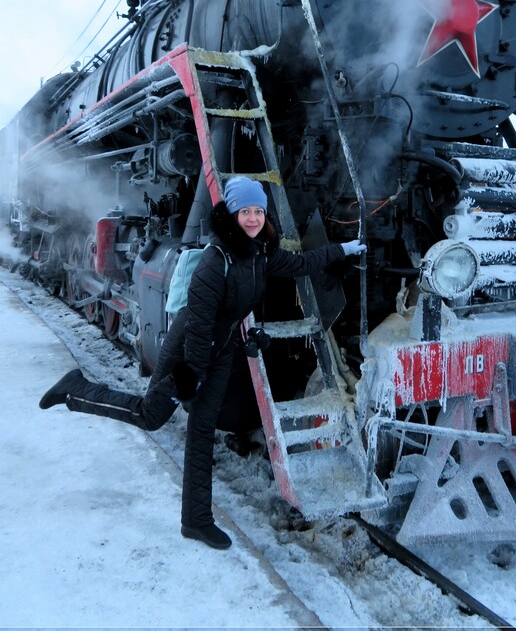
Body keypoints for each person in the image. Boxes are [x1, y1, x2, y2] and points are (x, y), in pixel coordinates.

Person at [39, 176, 366, 551]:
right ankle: (75, 390)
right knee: (151, 415)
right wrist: (191, 376)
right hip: (189, 349)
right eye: (246, 211)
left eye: (259, 211)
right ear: (232, 212)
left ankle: (196, 521)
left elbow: (300, 263)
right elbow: (198, 322)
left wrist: (344, 248)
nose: (254, 218)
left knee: (202, 428)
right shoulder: (215, 260)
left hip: (219, 346)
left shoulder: (259, 252)